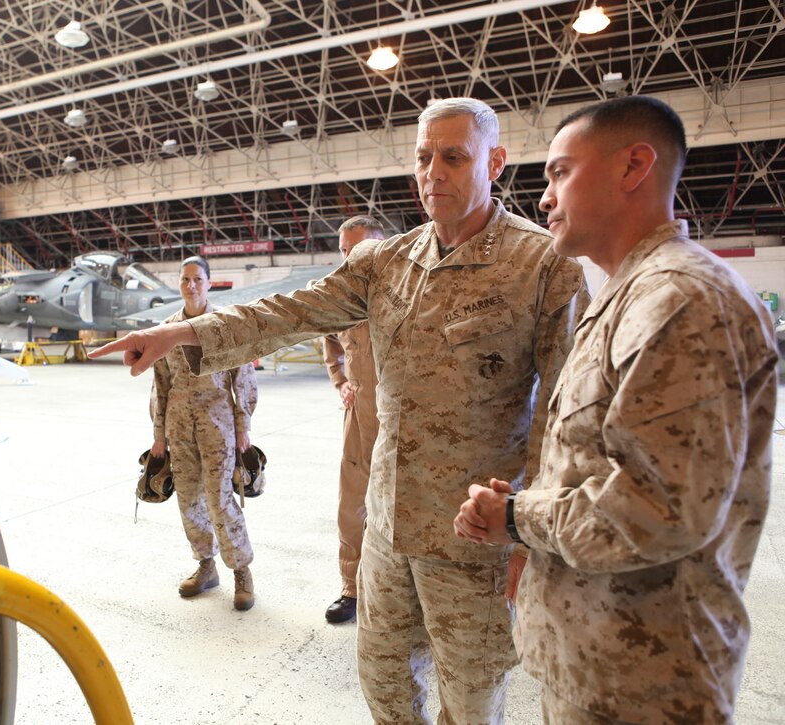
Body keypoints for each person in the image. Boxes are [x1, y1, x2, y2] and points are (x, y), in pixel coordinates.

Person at [93, 98, 589, 722]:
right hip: (387, 529)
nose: (433, 171)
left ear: (495, 161)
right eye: (424, 156)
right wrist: (181, 335)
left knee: (469, 701)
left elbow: (563, 414)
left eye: (454, 157)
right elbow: (288, 311)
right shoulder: (384, 263)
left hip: (475, 541)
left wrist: (529, 535)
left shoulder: (543, 265)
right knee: (382, 685)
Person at [453, 96, 778, 724]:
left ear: (633, 168)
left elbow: (659, 511)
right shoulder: (629, 296)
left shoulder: (681, 302)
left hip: (646, 682)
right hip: (597, 660)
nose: (544, 197)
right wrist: (532, 544)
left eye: (559, 172)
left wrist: (518, 518)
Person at [150, 256, 259, 611]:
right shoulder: (165, 330)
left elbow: (241, 378)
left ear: (209, 283)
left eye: (197, 279)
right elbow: (160, 385)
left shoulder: (223, 326)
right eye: (185, 279)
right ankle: (206, 566)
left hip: (218, 425)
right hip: (178, 427)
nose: (191, 285)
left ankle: (241, 570)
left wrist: (243, 427)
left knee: (219, 499)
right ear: (179, 284)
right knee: (189, 500)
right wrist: (158, 435)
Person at [322, 215, 385, 625]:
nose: (347, 258)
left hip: (407, 413)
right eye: (343, 250)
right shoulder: (340, 296)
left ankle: (405, 595)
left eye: (356, 249)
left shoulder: (405, 290)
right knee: (352, 505)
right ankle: (352, 587)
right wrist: (340, 379)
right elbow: (327, 336)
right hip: (359, 415)